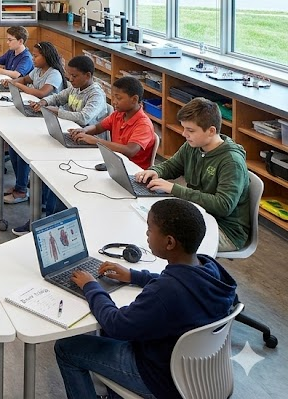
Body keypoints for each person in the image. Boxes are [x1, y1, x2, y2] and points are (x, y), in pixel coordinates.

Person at [55, 198, 237, 399]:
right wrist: (134, 276)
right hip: (196, 373)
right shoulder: (210, 268)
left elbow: (117, 324)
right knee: (107, 331)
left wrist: (92, 287)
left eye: (150, 229)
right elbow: (182, 281)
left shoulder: (164, 293)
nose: (146, 234)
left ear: (169, 242)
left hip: (160, 379)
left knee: (66, 347)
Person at [11, 55, 112, 234]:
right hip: (72, 136)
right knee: (38, 163)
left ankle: (47, 220)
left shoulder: (96, 94)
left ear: (88, 75)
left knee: (52, 176)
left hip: (88, 148)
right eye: (69, 76)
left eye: (74, 76)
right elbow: (58, 97)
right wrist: (44, 102)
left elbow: (84, 117)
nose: (70, 80)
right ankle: (40, 208)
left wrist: (57, 112)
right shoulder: (75, 88)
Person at [136, 98, 250, 252]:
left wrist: (175, 189)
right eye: (184, 128)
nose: (184, 134)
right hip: (198, 214)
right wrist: (156, 171)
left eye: (190, 130)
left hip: (225, 230)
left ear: (211, 131)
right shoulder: (194, 145)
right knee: (154, 227)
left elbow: (223, 206)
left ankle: (177, 275)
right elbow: (173, 165)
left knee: (166, 241)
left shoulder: (231, 162)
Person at [1, 41, 65, 205]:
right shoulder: (38, 70)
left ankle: (21, 191)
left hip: (50, 119)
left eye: (36, 56)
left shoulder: (54, 74)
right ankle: (20, 185)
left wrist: (20, 87)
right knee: (14, 147)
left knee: (22, 148)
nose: (33, 59)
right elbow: (24, 79)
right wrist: (14, 82)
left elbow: (42, 93)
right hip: (38, 113)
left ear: (47, 57)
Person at [70, 76, 155, 169]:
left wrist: (96, 141)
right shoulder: (118, 114)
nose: (114, 101)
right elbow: (98, 127)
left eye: (118, 98)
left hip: (133, 170)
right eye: (113, 97)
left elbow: (130, 150)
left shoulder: (143, 124)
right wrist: (84, 130)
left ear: (134, 99)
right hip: (115, 163)